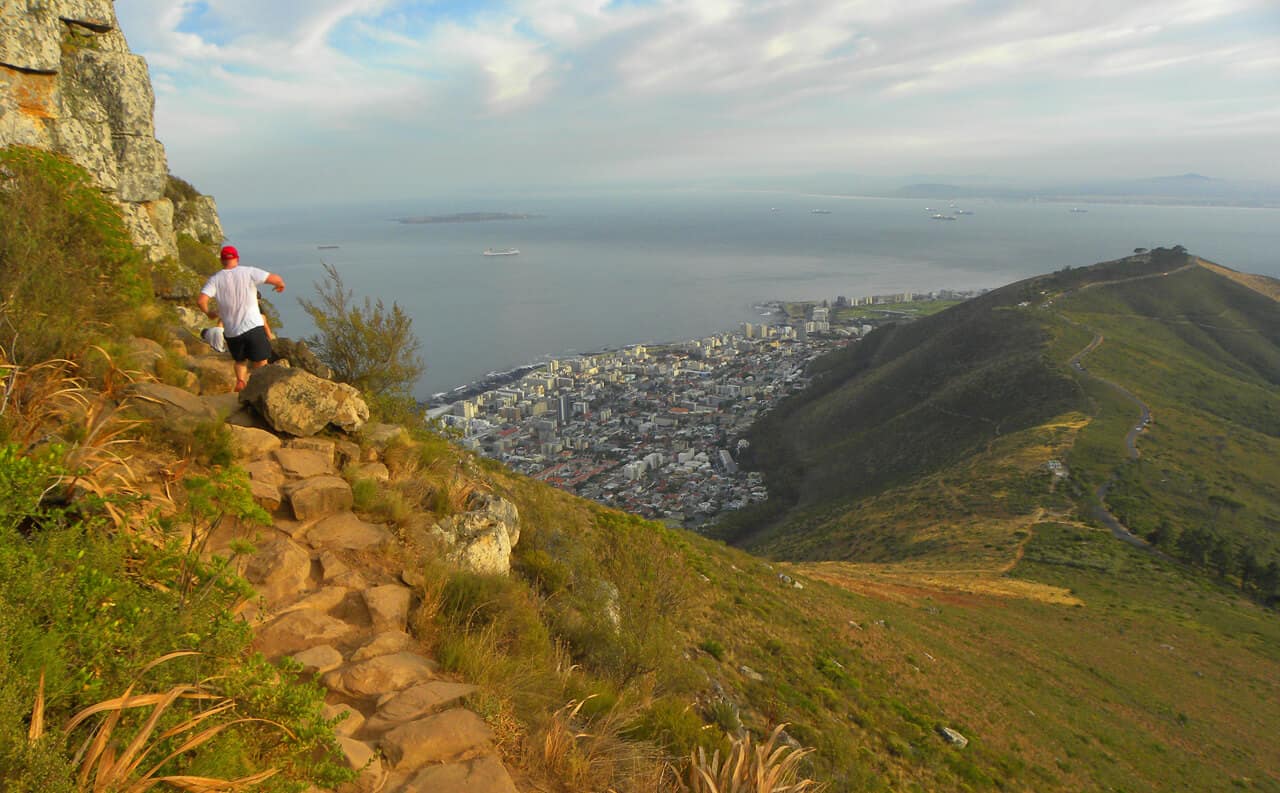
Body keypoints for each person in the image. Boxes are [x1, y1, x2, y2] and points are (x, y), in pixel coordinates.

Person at [196, 245, 285, 392]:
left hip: (232, 331)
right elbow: (275, 278)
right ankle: (257, 387)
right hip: (253, 326)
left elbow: (201, 301)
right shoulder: (248, 272)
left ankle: (241, 382)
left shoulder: (215, 280)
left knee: (240, 360)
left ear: (221, 260)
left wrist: (209, 313)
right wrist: (280, 285)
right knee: (260, 360)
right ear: (237, 258)